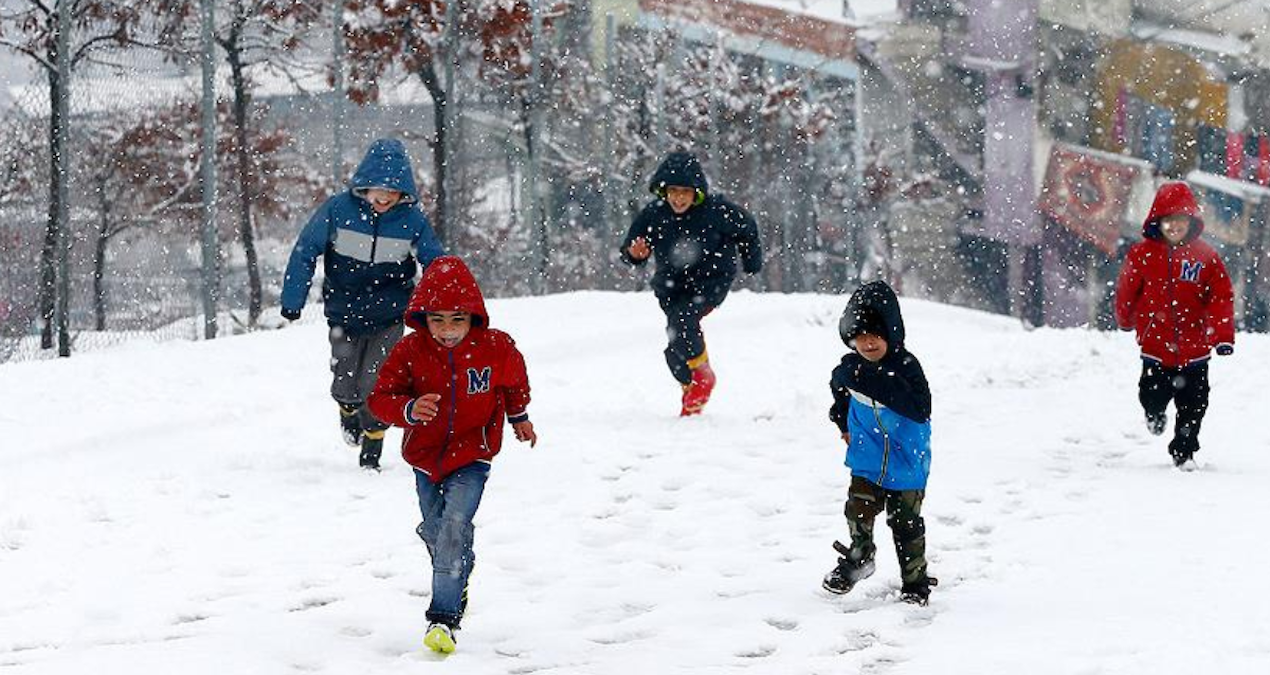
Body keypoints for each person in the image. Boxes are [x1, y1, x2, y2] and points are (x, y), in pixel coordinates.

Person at [367, 255, 537, 654]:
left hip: (473, 453)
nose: (447, 330)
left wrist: (520, 417)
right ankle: (457, 569)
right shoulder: (410, 351)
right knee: (435, 529)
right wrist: (408, 409)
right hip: (425, 457)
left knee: (454, 525)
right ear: (423, 318)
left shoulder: (495, 347)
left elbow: (514, 382)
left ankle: (442, 618)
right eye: (437, 319)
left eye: (457, 319)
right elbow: (380, 398)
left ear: (474, 316)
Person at [280, 138, 444, 470]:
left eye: (393, 193)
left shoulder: (411, 221)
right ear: (364, 186)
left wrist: (442, 306)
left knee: (378, 381)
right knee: (346, 380)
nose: (384, 198)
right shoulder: (338, 211)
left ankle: (374, 441)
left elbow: (436, 262)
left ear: (404, 193)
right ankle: (347, 410)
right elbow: (305, 250)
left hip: (389, 315)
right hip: (343, 312)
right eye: (378, 191)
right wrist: (292, 298)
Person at [618, 150, 763, 416]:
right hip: (671, 286)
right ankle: (691, 386)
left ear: (696, 192)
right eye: (673, 191)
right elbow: (631, 247)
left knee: (685, 321)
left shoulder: (716, 211)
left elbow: (747, 228)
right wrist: (633, 254)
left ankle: (703, 377)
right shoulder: (654, 214)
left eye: (685, 192)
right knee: (674, 347)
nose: (678, 198)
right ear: (664, 191)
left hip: (710, 282)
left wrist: (751, 262)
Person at [822, 280, 936, 606]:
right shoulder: (848, 369)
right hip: (867, 458)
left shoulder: (906, 368)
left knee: (906, 525)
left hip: (906, 462)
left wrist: (873, 381)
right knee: (858, 510)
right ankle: (860, 558)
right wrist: (842, 422)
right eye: (859, 337)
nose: (867, 343)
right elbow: (840, 393)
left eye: (875, 335)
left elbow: (919, 408)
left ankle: (915, 583)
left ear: (891, 333)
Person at [1114, 181, 1235, 470]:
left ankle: (1184, 451)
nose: (1174, 226)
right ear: (1158, 223)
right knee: (1151, 393)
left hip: (1196, 349)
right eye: (1168, 220)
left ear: (1190, 222)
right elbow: (1127, 289)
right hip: (1156, 345)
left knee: (1194, 405)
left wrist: (1222, 336)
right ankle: (1154, 414)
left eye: (1180, 220)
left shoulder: (1206, 257)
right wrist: (1125, 317)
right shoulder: (1141, 254)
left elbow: (1220, 297)